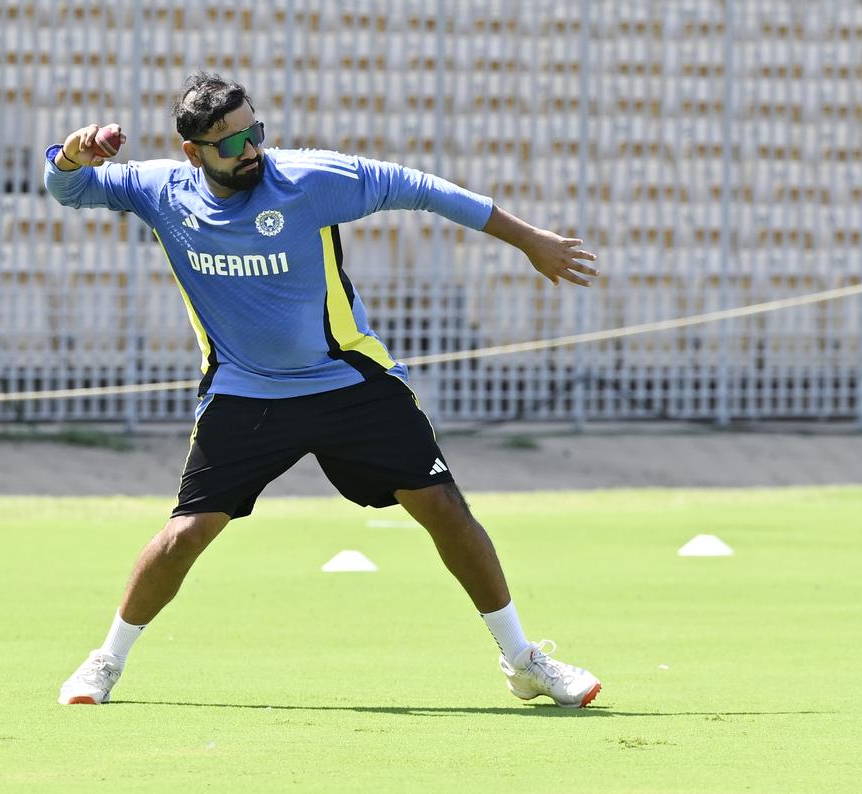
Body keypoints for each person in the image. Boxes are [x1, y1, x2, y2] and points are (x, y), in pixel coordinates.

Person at [45, 72, 602, 708]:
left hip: (348, 381)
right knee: (185, 533)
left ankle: (523, 660)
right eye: (229, 143)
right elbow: (69, 189)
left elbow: (420, 189)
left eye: (254, 131)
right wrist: (70, 155)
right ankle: (105, 663)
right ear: (192, 152)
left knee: (444, 508)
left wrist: (528, 238)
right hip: (244, 393)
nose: (250, 149)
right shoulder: (160, 191)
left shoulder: (308, 180)